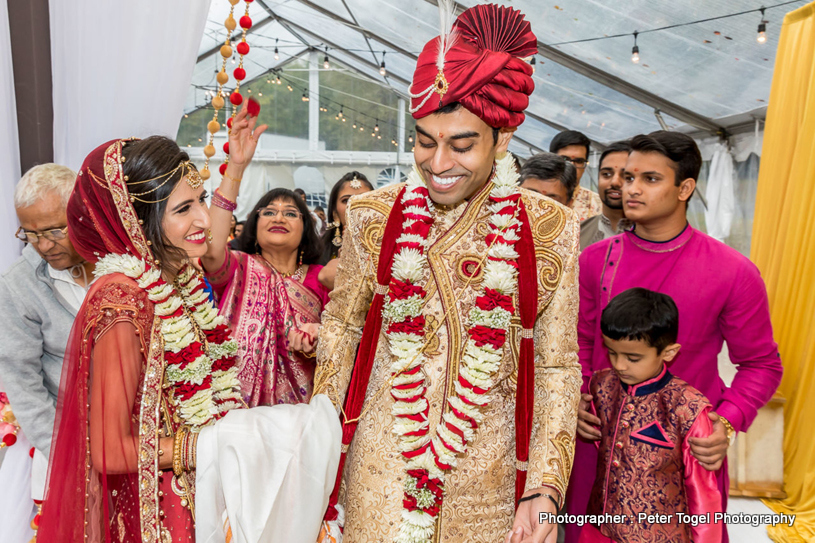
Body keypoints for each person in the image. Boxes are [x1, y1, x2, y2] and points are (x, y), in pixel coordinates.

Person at [314, 5, 580, 543]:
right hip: (380, 469)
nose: (437, 163)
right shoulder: (372, 216)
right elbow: (341, 331)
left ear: (502, 139)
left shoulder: (550, 227)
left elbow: (556, 366)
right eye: (424, 140)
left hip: (492, 478)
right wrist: (322, 463)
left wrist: (546, 487)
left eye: (461, 144)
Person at [567, 131, 783, 542]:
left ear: (685, 188)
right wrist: (576, 397)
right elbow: (577, 342)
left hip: (683, 455)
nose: (629, 188)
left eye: (649, 179)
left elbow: (760, 365)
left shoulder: (732, 271)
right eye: (627, 177)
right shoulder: (595, 260)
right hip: (600, 448)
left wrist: (725, 422)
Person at [37, 134, 249, 542]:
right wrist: (213, 444)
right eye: (184, 209)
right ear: (136, 220)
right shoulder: (122, 302)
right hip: (156, 520)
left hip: (200, 501)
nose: (203, 219)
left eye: (201, 200)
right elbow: (109, 451)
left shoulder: (178, 277)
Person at [579, 288, 723, 543]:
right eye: (612, 352)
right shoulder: (600, 386)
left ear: (668, 352)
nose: (619, 365)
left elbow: (703, 493)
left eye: (633, 358)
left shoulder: (687, 408)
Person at [0, 164, 96, 539]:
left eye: (55, 230)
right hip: (65, 439)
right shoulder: (19, 285)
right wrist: (66, 456)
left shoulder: (123, 261)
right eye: (31, 234)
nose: (43, 245)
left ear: (82, 213)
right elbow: (22, 381)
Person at [203, 182, 329, 406]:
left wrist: (323, 333)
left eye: (290, 213)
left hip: (306, 412)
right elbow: (211, 253)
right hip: (236, 410)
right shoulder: (238, 268)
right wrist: (236, 169)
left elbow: (346, 335)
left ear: (305, 229)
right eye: (269, 212)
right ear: (254, 225)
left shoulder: (322, 278)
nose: (279, 218)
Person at [317, 171, 374, 290]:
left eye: (364, 199)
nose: (355, 205)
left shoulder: (391, 248)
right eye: (346, 200)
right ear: (335, 214)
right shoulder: (318, 251)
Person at [579, 141, 633, 251]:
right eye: (606, 174)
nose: (615, 182)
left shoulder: (653, 236)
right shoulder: (577, 233)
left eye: (626, 175)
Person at [550, 130, 602, 221]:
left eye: (579, 161)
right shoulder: (534, 197)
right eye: (565, 159)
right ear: (551, 160)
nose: (571, 166)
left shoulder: (598, 204)